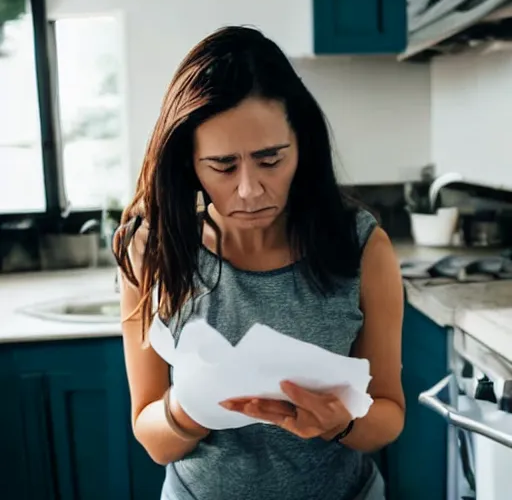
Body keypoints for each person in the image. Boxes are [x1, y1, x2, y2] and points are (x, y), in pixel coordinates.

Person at [113, 26, 405, 500]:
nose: (249, 189)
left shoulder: (363, 247)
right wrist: (192, 408)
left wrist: (342, 423)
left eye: (271, 160)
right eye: (223, 166)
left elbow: (389, 414)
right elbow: (153, 439)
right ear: (190, 163)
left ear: (302, 148)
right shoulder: (153, 250)